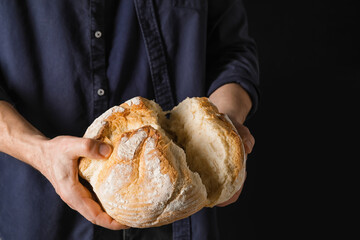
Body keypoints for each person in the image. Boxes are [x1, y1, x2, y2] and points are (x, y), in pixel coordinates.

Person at [0, 0, 259, 239]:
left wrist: (224, 124)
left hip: (183, 217)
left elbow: (232, 50)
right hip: (41, 215)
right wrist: (38, 151)